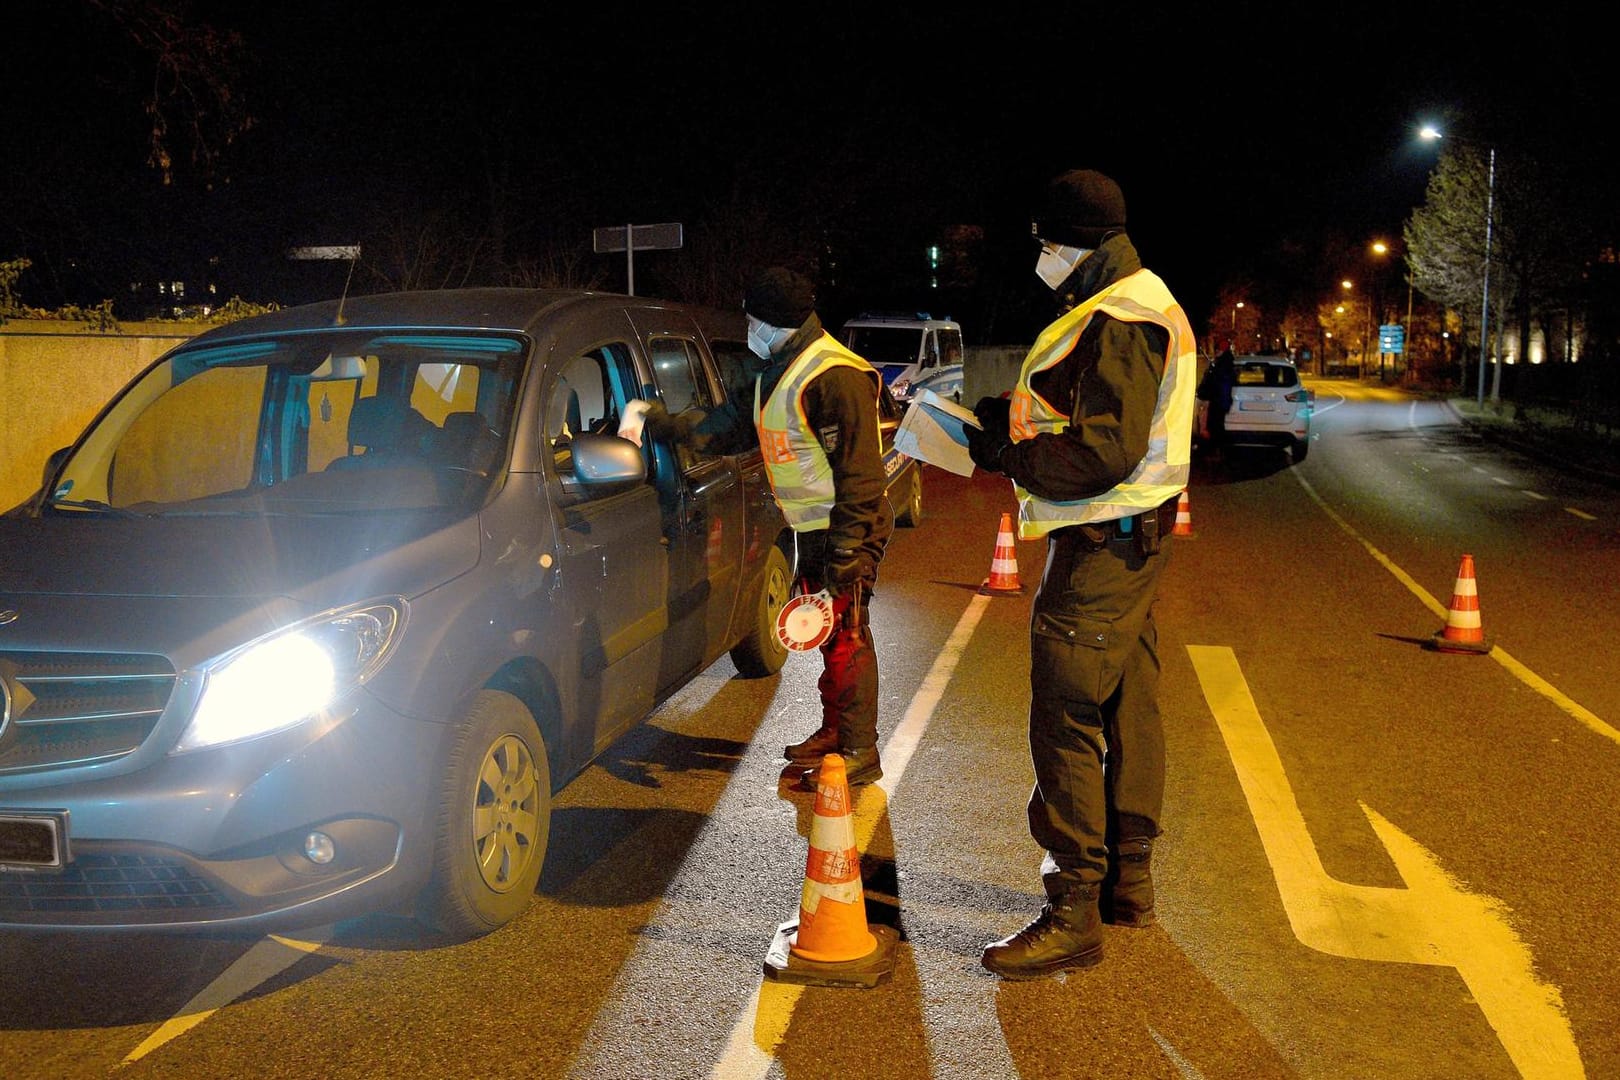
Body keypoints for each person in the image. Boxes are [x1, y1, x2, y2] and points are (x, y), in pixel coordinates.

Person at [964, 168, 1197, 979]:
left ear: (1074, 241)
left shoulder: (1122, 315)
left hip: (1102, 544)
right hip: (1129, 543)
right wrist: (1004, 417)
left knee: (1065, 712)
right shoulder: (1123, 301)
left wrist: (1006, 456)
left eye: (1044, 242)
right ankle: (1128, 885)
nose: (1039, 255)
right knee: (1131, 701)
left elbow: (1103, 449)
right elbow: (1083, 408)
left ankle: (1072, 911)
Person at [633, 267, 894, 788]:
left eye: (753, 317)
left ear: (773, 319)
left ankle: (859, 750)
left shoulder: (833, 375)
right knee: (826, 634)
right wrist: (666, 426)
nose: (749, 326)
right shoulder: (778, 369)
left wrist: (848, 552)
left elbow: (860, 477)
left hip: (845, 529)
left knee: (847, 636)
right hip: (810, 528)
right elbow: (726, 428)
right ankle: (834, 731)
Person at [1197, 344, 1237, 460]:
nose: (1216, 351)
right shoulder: (1225, 364)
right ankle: (1217, 451)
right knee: (1217, 426)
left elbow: (1214, 383)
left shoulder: (1221, 366)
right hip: (1221, 401)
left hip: (1217, 401)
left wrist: (1204, 392)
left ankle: (1215, 452)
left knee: (1214, 427)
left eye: (1218, 349)